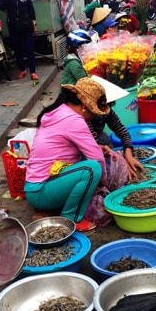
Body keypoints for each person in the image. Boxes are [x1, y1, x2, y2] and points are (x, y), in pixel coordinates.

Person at [24, 78, 109, 232]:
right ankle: (71, 219)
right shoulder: (73, 120)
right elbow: (96, 158)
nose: (91, 117)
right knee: (93, 169)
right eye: (92, 113)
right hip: (41, 192)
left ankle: (54, 209)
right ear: (84, 107)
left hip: (38, 188)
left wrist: (99, 148)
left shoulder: (59, 111)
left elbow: (90, 150)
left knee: (89, 160)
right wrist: (103, 181)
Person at [60, 32, 144, 180]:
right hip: (73, 156)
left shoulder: (105, 110)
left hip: (93, 143)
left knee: (106, 142)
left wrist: (128, 154)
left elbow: (122, 132)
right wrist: (122, 165)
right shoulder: (84, 116)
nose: (109, 107)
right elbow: (94, 147)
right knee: (103, 151)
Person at [0, 0, 39, 81]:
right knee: (18, 50)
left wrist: (34, 24)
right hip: (13, 27)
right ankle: (22, 70)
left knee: (29, 49)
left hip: (26, 26)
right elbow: (2, 7)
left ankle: (33, 72)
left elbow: (31, 11)